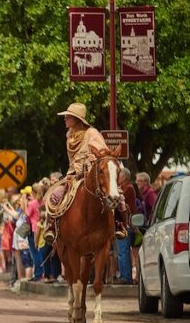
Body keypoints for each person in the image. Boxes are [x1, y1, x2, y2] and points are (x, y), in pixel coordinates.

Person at [39, 102, 126, 244]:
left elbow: (104, 155)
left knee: (118, 197)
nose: (65, 119)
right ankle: (51, 228)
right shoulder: (70, 136)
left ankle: (119, 225)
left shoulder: (92, 133)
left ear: (77, 119)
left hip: (91, 175)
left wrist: (92, 160)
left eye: (68, 117)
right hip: (73, 175)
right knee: (54, 195)